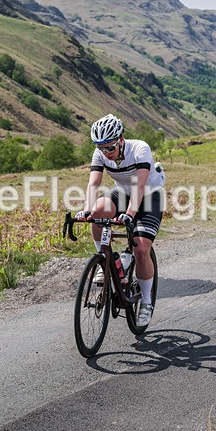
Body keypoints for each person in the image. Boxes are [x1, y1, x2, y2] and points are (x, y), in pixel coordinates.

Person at [75, 114, 165, 327]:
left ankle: (146, 301)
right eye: (101, 148)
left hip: (149, 195)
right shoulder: (100, 153)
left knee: (141, 250)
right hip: (123, 192)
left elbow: (140, 186)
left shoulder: (140, 148)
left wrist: (130, 215)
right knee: (97, 212)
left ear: (121, 139)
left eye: (110, 148)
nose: (105, 152)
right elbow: (93, 184)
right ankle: (104, 260)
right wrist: (87, 210)